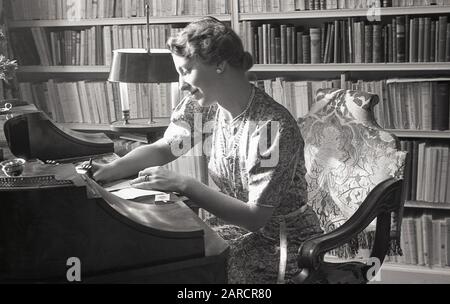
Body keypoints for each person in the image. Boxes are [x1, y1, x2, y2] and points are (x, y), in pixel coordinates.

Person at [89, 17, 322, 284]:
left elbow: (255, 218)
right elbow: (165, 148)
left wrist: (183, 184)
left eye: (186, 70)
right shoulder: (205, 106)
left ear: (220, 65)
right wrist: (112, 168)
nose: (181, 84)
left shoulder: (270, 128)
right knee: (155, 255)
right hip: (235, 230)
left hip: (282, 245)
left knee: (181, 272)